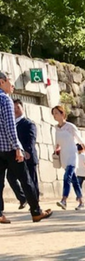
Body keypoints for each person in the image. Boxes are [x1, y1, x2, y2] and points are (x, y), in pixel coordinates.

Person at [0, 72, 51, 223]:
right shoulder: (5, 100)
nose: (13, 85)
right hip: (10, 148)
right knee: (25, 179)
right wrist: (17, 147)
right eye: (10, 81)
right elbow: (10, 127)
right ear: (1, 82)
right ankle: (36, 211)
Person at [52, 105, 85, 210]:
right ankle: (82, 202)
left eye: (56, 113)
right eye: (53, 114)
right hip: (64, 155)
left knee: (66, 177)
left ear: (62, 114)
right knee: (74, 181)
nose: (54, 115)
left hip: (72, 155)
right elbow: (57, 143)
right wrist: (56, 152)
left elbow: (80, 140)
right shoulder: (56, 128)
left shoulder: (70, 127)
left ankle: (64, 200)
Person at [13, 99, 39, 198]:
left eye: (17, 108)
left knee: (32, 180)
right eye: (13, 108)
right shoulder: (12, 124)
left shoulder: (28, 123)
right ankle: (23, 198)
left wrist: (27, 151)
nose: (15, 110)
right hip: (17, 157)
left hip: (28, 156)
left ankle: (35, 201)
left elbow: (32, 139)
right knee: (12, 178)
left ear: (23, 108)